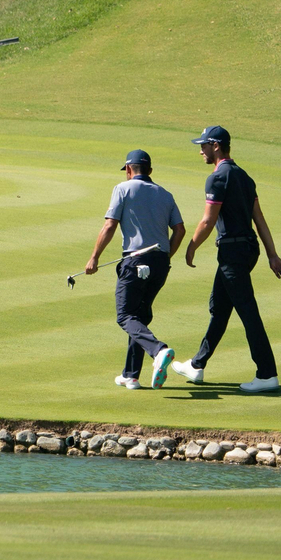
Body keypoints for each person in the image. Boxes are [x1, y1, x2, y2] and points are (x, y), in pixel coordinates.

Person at [171, 126, 281, 393]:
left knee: (248, 312)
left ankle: (267, 374)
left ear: (216, 145)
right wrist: (271, 254)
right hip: (247, 250)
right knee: (220, 309)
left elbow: (208, 220)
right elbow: (259, 220)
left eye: (204, 145)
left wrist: (191, 246)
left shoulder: (217, 178)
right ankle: (197, 365)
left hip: (233, 253)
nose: (200, 150)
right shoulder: (244, 177)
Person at [85, 149, 186, 390]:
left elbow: (110, 225)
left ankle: (158, 350)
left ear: (129, 170)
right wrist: (164, 257)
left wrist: (94, 257)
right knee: (138, 316)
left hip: (135, 261)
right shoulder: (166, 194)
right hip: (161, 263)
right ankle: (131, 375)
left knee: (125, 316)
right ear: (149, 171)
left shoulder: (122, 188)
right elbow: (180, 230)